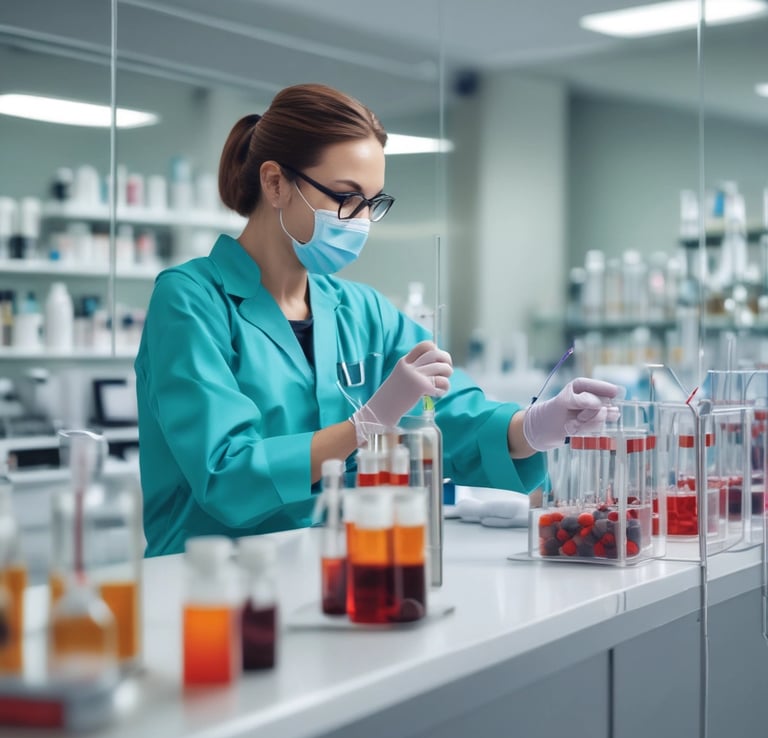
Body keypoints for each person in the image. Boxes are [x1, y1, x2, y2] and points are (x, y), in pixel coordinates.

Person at [134, 83, 618, 557]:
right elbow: (225, 473)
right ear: (275, 183)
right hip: (209, 578)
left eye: (372, 203)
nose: (360, 220)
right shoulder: (191, 300)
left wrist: (531, 426)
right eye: (346, 197)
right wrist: (366, 423)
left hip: (333, 567)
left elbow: (443, 412)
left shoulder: (358, 309)